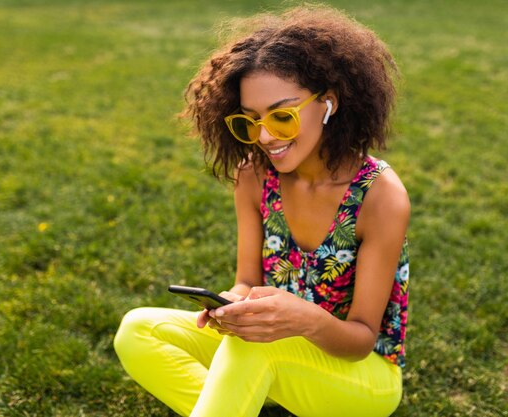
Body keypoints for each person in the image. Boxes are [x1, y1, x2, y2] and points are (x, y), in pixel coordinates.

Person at [114, 4, 410, 417]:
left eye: (282, 116)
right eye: (250, 121)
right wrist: (232, 307)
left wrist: (303, 320)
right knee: (138, 331)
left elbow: (362, 340)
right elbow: (247, 281)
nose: (265, 136)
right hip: (273, 349)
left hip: (362, 377)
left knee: (255, 350)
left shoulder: (379, 196)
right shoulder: (254, 176)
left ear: (328, 103)